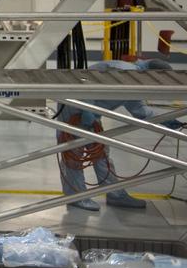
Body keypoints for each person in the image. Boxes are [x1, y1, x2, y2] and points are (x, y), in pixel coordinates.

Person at [57, 58, 185, 211]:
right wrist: (87, 108)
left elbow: (140, 111)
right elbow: (89, 82)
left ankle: (115, 194)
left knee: (101, 152)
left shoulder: (135, 82)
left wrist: (166, 120)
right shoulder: (123, 70)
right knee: (74, 153)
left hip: (91, 111)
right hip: (74, 106)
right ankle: (76, 197)